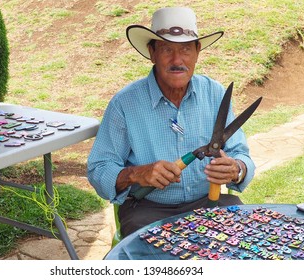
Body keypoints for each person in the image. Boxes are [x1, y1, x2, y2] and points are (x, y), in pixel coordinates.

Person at [87, 7, 255, 237]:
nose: (177, 60)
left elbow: (241, 155)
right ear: (152, 52)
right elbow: (98, 169)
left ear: (197, 51)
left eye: (186, 49)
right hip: (148, 209)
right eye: (167, 49)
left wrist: (236, 169)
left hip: (209, 201)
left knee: (246, 241)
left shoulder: (215, 94)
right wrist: (136, 174)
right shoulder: (125, 103)